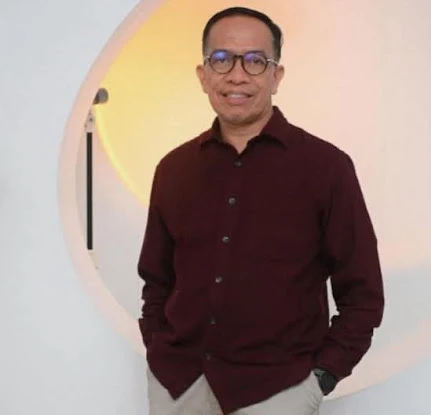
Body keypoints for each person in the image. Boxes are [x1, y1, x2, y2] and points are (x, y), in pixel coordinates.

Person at [138, 6, 384, 415]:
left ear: (276, 76)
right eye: (221, 59)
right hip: (180, 387)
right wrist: (158, 349)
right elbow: (157, 280)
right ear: (203, 75)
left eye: (255, 61)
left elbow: (363, 294)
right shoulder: (174, 169)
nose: (237, 75)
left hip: (277, 392)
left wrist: (321, 378)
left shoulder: (326, 168)